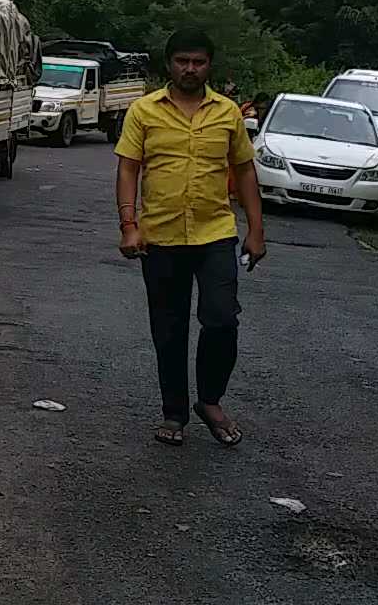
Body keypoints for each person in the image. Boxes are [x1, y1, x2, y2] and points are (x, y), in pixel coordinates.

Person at [114, 29, 267, 447]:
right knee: (169, 327)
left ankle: (211, 400)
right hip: (160, 235)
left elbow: (244, 170)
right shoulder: (144, 111)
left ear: (209, 66)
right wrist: (129, 224)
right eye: (183, 61)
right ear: (170, 64)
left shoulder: (228, 113)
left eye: (198, 62)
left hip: (215, 232)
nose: (190, 69)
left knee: (221, 317)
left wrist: (256, 230)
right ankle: (175, 412)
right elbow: (129, 167)